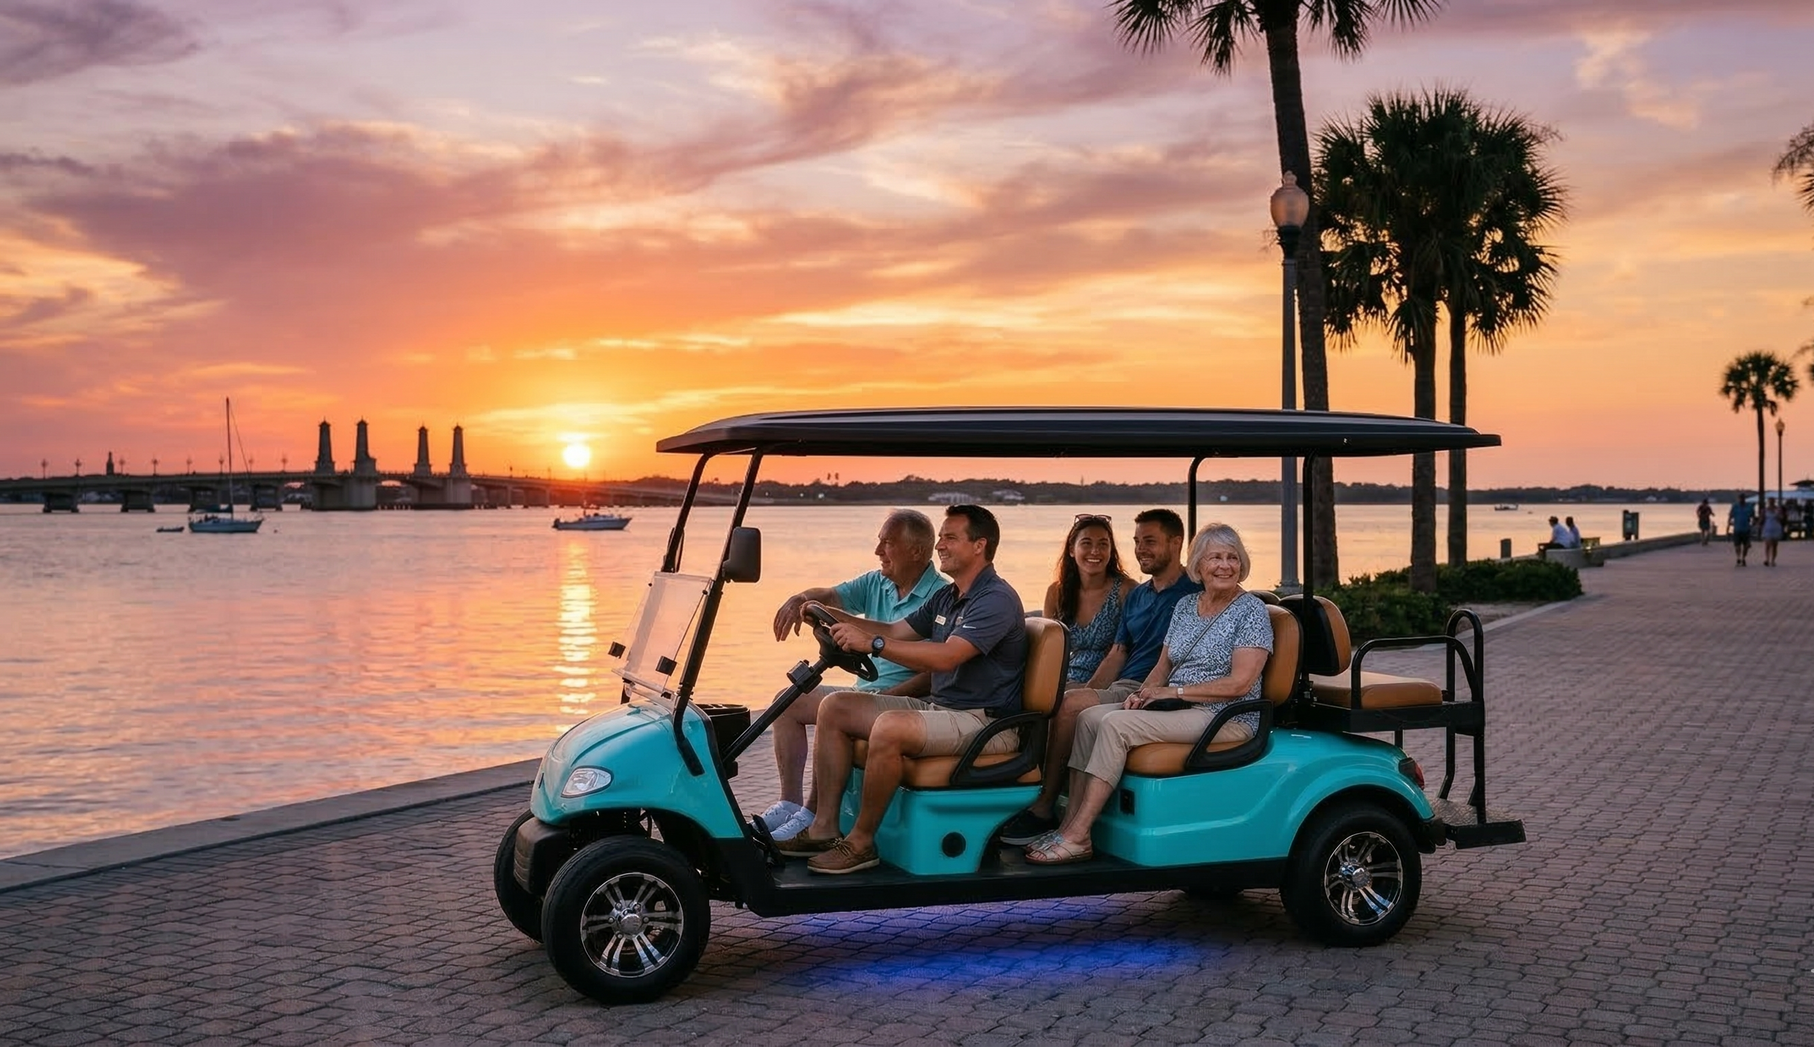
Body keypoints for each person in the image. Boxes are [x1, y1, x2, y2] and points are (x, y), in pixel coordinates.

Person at [777, 505, 1028, 874]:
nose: (939, 545)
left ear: (980, 546)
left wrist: (872, 645)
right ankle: (823, 827)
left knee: (890, 726)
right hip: (945, 711)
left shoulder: (995, 599)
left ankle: (861, 843)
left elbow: (946, 657)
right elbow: (894, 630)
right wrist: (824, 612)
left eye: (950, 537)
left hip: (985, 724)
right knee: (836, 706)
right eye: (940, 536)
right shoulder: (948, 597)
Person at [1023, 523, 1273, 865]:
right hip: (1181, 706)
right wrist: (1144, 693)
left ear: (1242, 564)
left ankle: (1079, 835)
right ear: (1199, 565)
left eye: (1232, 558)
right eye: (1215, 557)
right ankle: (1067, 825)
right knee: (1089, 717)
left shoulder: (1251, 611)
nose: (1225, 566)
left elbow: (1240, 684)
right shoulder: (1187, 605)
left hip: (1225, 715)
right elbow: (1164, 662)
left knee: (1115, 726)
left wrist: (1175, 691)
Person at [998, 508, 1201, 846]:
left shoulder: (1193, 593)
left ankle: (1044, 809)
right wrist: (1086, 692)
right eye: (1137, 542)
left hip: (1158, 689)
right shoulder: (1140, 595)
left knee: (1068, 706)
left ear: (1176, 542)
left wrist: (1079, 699)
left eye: (1149, 541)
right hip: (1125, 682)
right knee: (1056, 701)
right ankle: (1015, 798)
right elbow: (1118, 652)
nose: (1140, 549)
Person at [761, 509, 945, 840]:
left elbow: (938, 671)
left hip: (909, 699)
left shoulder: (940, 597)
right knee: (787, 702)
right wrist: (802, 598)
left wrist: (888, 697)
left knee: (836, 706)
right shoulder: (879, 582)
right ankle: (790, 805)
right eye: (879, 542)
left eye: (887, 544)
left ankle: (813, 816)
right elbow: (831, 597)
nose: (878, 552)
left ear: (917, 551)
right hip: (869, 694)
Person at [1042, 514, 1133, 685]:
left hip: (1109, 681)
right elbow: (1048, 652)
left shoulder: (1125, 590)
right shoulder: (1056, 592)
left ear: (1111, 550)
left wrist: (1086, 690)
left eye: (1103, 544)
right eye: (1086, 543)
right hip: (1063, 680)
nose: (1095, 551)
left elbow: (1126, 650)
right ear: (1071, 550)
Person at [1729, 496, 1755, 566]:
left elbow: (1753, 516)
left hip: (1746, 529)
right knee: (1737, 546)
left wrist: (1752, 524)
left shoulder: (1749, 507)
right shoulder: (1735, 507)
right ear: (1738, 499)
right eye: (1740, 498)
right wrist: (1728, 526)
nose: (1741, 500)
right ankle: (1738, 557)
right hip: (1737, 529)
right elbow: (1730, 516)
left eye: (1742, 498)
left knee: (1746, 546)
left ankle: (1743, 558)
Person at [1761, 498, 1785, 566]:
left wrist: (1778, 516)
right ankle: (1767, 559)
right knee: (1768, 544)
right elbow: (1762, 519)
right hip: (1767, 528)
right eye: (1770, 501)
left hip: (1776, 528)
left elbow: (1782, 518)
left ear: (1774, 502)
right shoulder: (1765, 510)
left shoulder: (1778, 509)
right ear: (1768, 502)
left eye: (1772, 501)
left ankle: (1773, 560)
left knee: (1774, 545)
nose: (1771, 502)